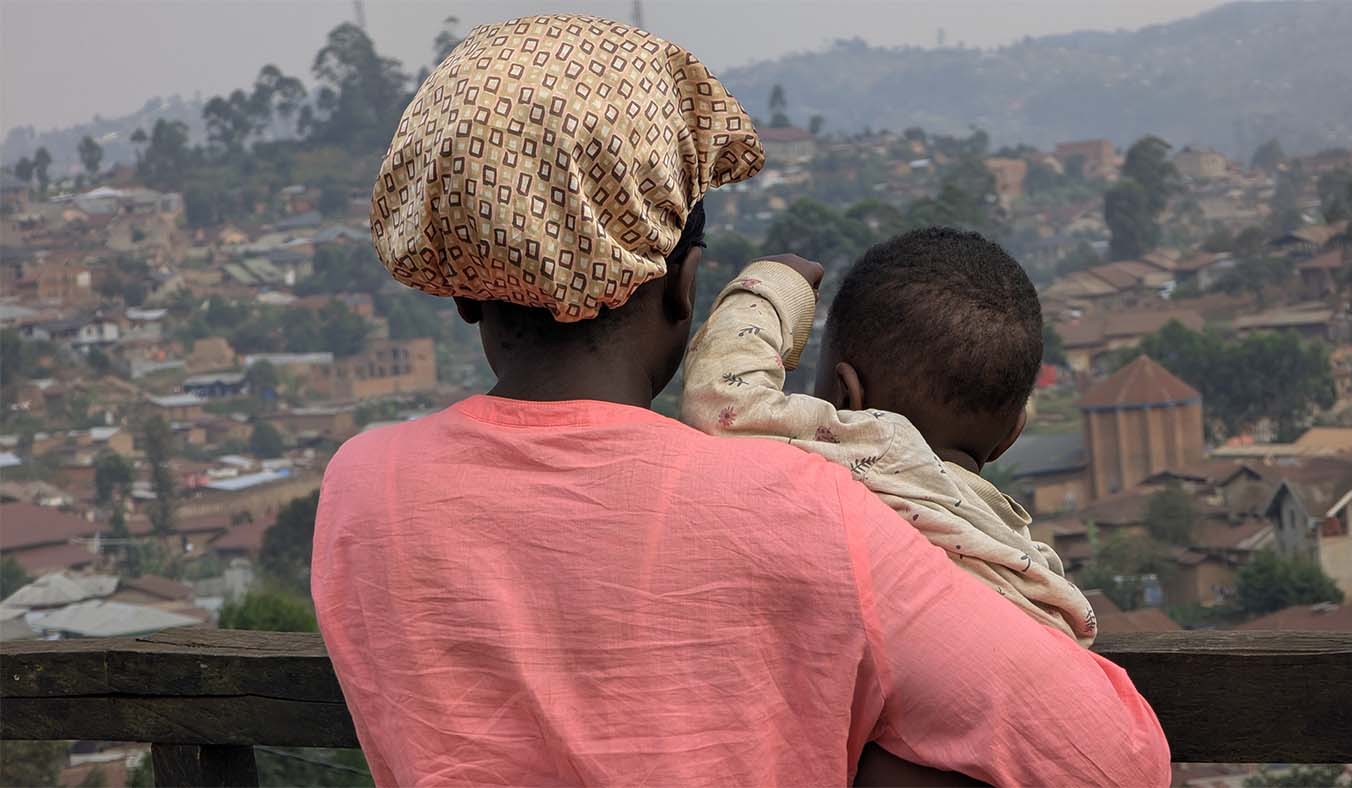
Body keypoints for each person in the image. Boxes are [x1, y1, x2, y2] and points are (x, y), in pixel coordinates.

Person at [312, 13, 1171, 786]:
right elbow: (1116, 758)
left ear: (464, 290)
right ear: (685, 286)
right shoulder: (803, 508)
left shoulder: (363, 494)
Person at [682, 228, 1098, 645]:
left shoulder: (879, 446)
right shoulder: (1021, 554)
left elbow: (721, 400)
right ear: (1012, 433)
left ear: (848, 398)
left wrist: (776, 284)